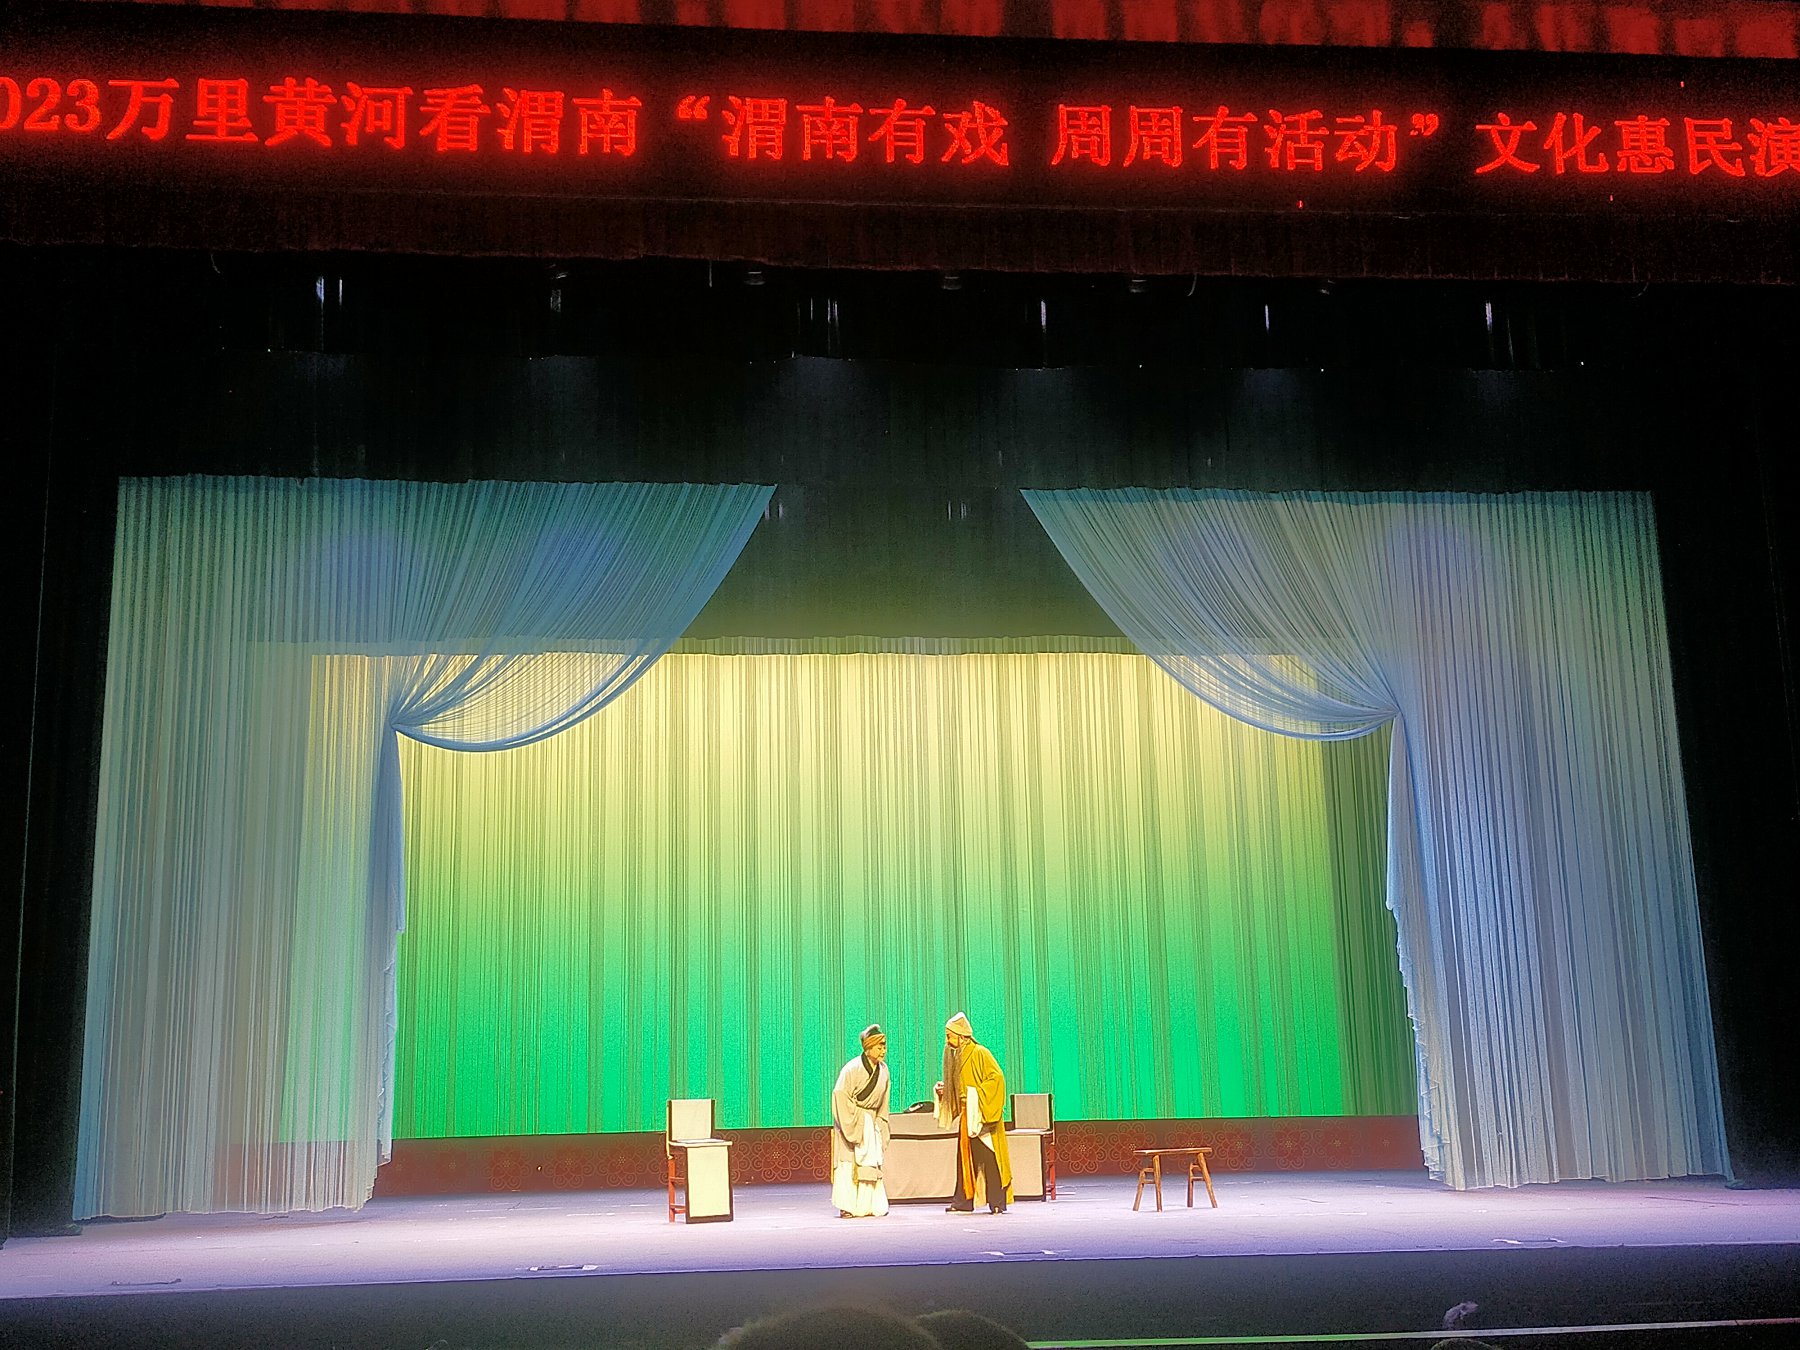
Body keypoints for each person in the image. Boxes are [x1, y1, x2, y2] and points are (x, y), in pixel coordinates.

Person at [934, 1011, 1012, 1214]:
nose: (947, 1040)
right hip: (967, 1115)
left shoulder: (980, 1053)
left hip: (982, 1114)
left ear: (961, 1036)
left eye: (949, 1036)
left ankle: (997, 1202)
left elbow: (997, 1079)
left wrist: (974, 1096)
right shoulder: (957, 1057)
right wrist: (946, 1091)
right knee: (965, 1160)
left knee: (990, 1159)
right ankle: (963, 1201)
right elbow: (959, 1090)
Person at [830, 1023, 892, 1217]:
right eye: (879, 1047)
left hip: (871, 1122)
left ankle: (871, 1205)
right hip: (854, 1120)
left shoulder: (884, 1071)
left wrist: (880, 1123)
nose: (883, 1051)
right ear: (868, 1048)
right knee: (850, 1163)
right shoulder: (852, 1069)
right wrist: (855, 1121)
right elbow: (840, 1095)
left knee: (871, 1164)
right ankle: (848, 1206)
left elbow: (884, 1102)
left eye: (884, 1046)